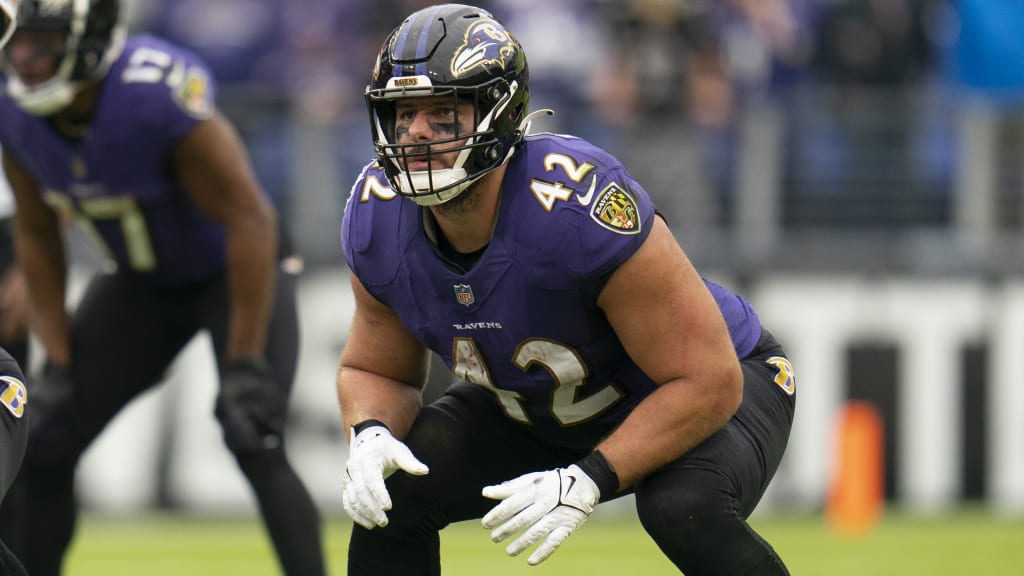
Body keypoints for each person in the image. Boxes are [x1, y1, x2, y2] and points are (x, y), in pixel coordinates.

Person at [337, 4, 795, 575]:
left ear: (497, 114)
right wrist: (370, 432)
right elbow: (375, 370)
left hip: (714, 379)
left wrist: (589, 479)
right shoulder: (376, 215)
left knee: (683, 505)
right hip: (543, 406)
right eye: (403, 114)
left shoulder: (575, 208)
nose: (418, 133)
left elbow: (709, 380)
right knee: (394, 489)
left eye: (444, 113)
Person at [0, 1, 326, 575]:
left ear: (90, 38)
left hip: (235, 271)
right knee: (48, 437)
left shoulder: (152, 91)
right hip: (141, 282)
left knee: (254, 433)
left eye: (42, 39)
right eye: (18, 40)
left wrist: (246, 361)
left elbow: (249, 218)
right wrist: (57, 355)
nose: (24, 56)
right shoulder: (15, 110)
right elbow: (36, 229)